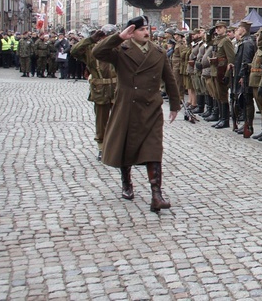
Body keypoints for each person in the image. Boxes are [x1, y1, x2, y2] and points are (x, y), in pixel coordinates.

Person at [92, 15, 180, 213]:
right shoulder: (120, 51)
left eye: (147, 29)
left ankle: (156, 194)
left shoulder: (158, 52)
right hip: (127, 107)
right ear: (132, 33)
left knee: (154, 149)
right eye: (141, 30)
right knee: (126, 147)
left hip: (151, 108)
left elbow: (170, 79)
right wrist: (119, 37)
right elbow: (98, 52)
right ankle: (126, 183)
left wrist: (175, 104)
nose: (146, 33)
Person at [71, 24, 119, 161]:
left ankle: (117, 146)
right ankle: (102, 147)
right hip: (100, 89)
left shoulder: (119, 49)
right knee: (101, 120)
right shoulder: (91, 49)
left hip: (118, 87)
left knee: (119, 119)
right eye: (104, 36)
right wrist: (90, 40)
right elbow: (74, 51)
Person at [232, 20, 256, 135]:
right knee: (244, 100)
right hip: (241, 74)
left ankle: (248, 125)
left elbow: (245, 61)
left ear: (244, 29)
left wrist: (242, 75)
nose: (238, 29)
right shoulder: (245, 41)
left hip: (245, 75)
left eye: (239, 27)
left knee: (247, 100)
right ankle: (246, 124)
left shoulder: (247, 42)